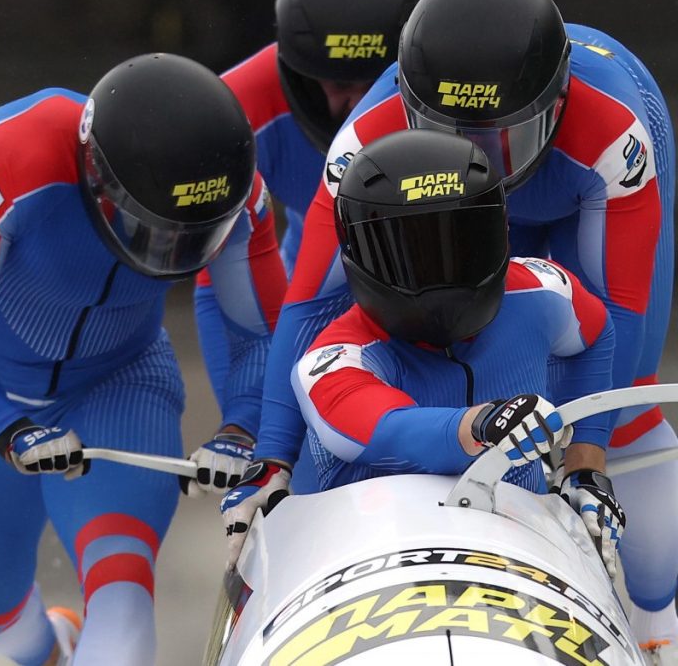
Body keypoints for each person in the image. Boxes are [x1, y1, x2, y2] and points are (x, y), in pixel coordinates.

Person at [237, 0, 677, 659]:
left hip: (584, 188)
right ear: (412, 115)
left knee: (629, 410)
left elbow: (615, 320)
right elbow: (308, 305)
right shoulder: (366, 138)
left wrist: (586, 460)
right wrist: (271, 459)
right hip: (442, 214)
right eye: (450, 136)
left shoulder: (613, 134)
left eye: (494, 141)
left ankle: (658, 624)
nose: (482, 167)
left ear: (555, 109)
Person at [0, 53, 286, 665]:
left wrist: (240, 428)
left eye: (193, 239)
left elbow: (262, 336)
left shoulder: (241, 201)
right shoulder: (8, 161)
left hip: (121, 381)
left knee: (123, 587)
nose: (172, 254)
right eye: (155, 230)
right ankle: (52, 650)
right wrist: (5, 427)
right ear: (96, 175)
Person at [222, 130, 624, 585]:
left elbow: (598, 337)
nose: (442, 276)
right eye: (411, 256)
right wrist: (480, 423)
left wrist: (585, 470)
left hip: (521, 555)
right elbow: (380, 429)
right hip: (364, 565)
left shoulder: (543, 291)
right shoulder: (332, 359)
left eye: (459, 245)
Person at [195, 0, 427, 494]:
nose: (361, 106)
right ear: (297, 71)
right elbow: (221, 277)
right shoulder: (237, 108)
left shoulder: (446, 83)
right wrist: (244, 426)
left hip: (433, 279)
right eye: (341, 83)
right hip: (315, 274)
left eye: (381, 81)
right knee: (290, 468)